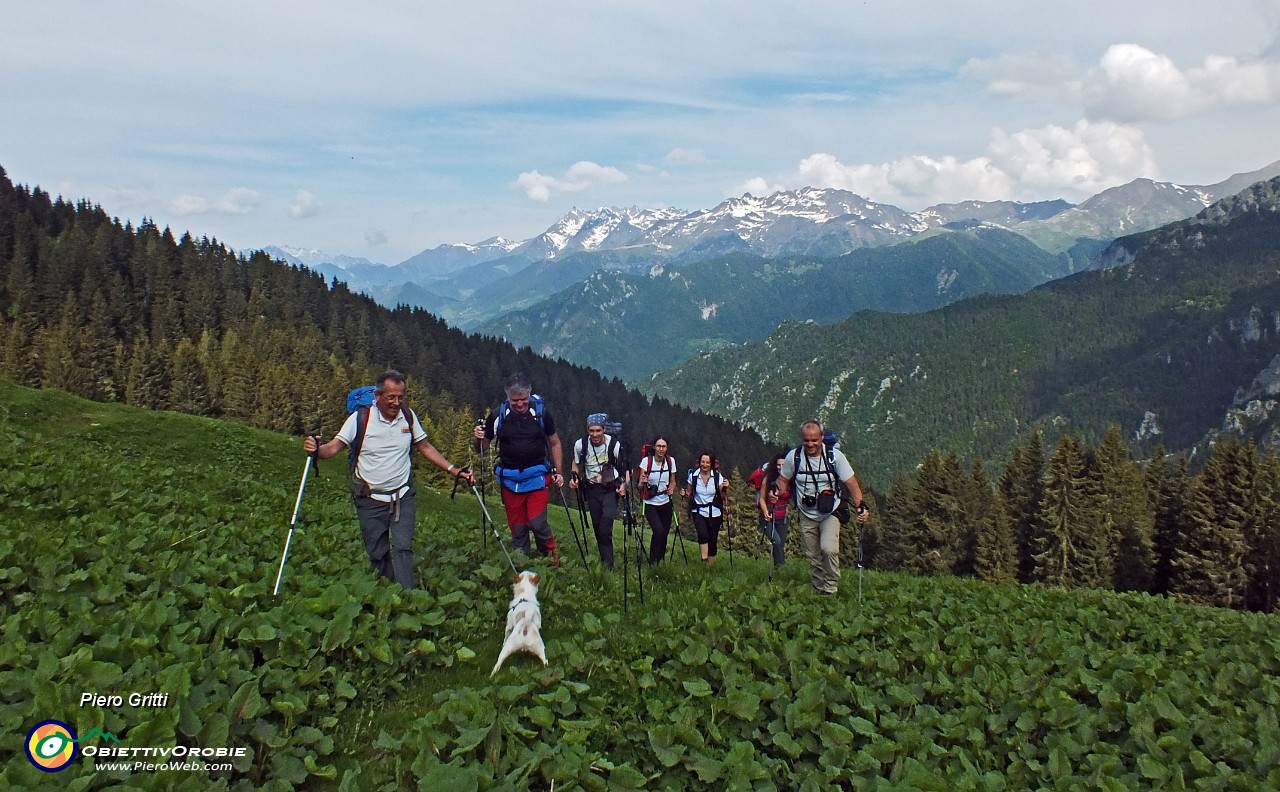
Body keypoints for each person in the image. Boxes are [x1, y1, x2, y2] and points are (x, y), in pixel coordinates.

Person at [304, 370, 471, 589]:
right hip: (370, 498)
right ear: (378, 395)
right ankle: (386, 590)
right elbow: (334, 447)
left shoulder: (408, 417)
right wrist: (316, 450)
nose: (396, 402)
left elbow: (424, 446)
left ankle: (407, 595)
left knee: (403, 547)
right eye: (391, 397)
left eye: (401, 397)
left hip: (403, 496)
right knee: (377, 551)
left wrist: (453, 470)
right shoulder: (360, 419)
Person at [474, 372, 565, 566]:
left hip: (537, 476)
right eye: (515, 400)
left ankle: (549, 553)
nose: (520, 404)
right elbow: (482, 448)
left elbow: (555, 442)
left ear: (530, 394)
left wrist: (558, 472)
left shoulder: (540, 413)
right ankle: (522, 563)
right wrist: (479, 437)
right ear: (508, 396)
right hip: (510, 480)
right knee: (518, 527)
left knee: (537, 523)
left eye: (523, 399)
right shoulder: (498, 416)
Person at [774, 420, 870, 595]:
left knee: (828, 548)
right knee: (812, 555)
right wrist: (776, 491)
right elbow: (783, 480)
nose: (810, 444)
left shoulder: (835, 457)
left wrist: (861, 506)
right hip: (805, 512)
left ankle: (831, 587)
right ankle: (818, 590)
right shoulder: (794, 457)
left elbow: (852, 484)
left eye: (814, 440)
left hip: (830, 511)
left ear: (822, 437)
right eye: (806, 440)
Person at [568, 412, 628, 569]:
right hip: (591, 489)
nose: (594, 434)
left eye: (598, 431)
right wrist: (574, 477)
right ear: (587, 430)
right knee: (596, 525)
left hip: (610, 489)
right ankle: (605, 561)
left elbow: (626, 470)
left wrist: (624, 486)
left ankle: (609, 565)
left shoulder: (614, 446)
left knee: (605, 525)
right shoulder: (581, 445)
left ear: (604, 429)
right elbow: (576, 463)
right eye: (591, 431)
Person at [682, 450, 729, 564]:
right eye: (703, 462)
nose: (705, 465)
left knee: (712, 539)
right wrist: (684, 493)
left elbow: (722, 495)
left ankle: (711, 566)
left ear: (711, 464)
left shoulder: (718, 477)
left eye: (707, 462)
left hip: (715, 511)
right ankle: (704, 561)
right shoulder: (693, 475)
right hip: (698, 510)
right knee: (703, 535)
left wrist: (726, 488)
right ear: (699, 463)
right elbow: (689, 492)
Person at [637, 436, 677, 564]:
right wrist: (642, 482)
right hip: (650, 502)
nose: (661, 449)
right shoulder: (646, 462)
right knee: (658, 530)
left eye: (663, 446)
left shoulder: (671, 461)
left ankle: (660, 560)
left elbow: (673, 481)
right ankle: (653, 560)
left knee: (664, 533)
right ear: (654, 447)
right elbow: (639, 486)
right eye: (659, 446)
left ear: (667, 448)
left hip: (666, 501)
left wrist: (671, 488)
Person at [750, 451, 789, 566]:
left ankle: (778, 569)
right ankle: (781, 568)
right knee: (776, 542)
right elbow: (762, 498)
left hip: (783, 518)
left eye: (783, 465)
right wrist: (766, 512)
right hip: (768, 516)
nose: (780, 468)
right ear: (774, 465)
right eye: (778, 465)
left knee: (780, 544)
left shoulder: (788, 480)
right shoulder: (767, 479)